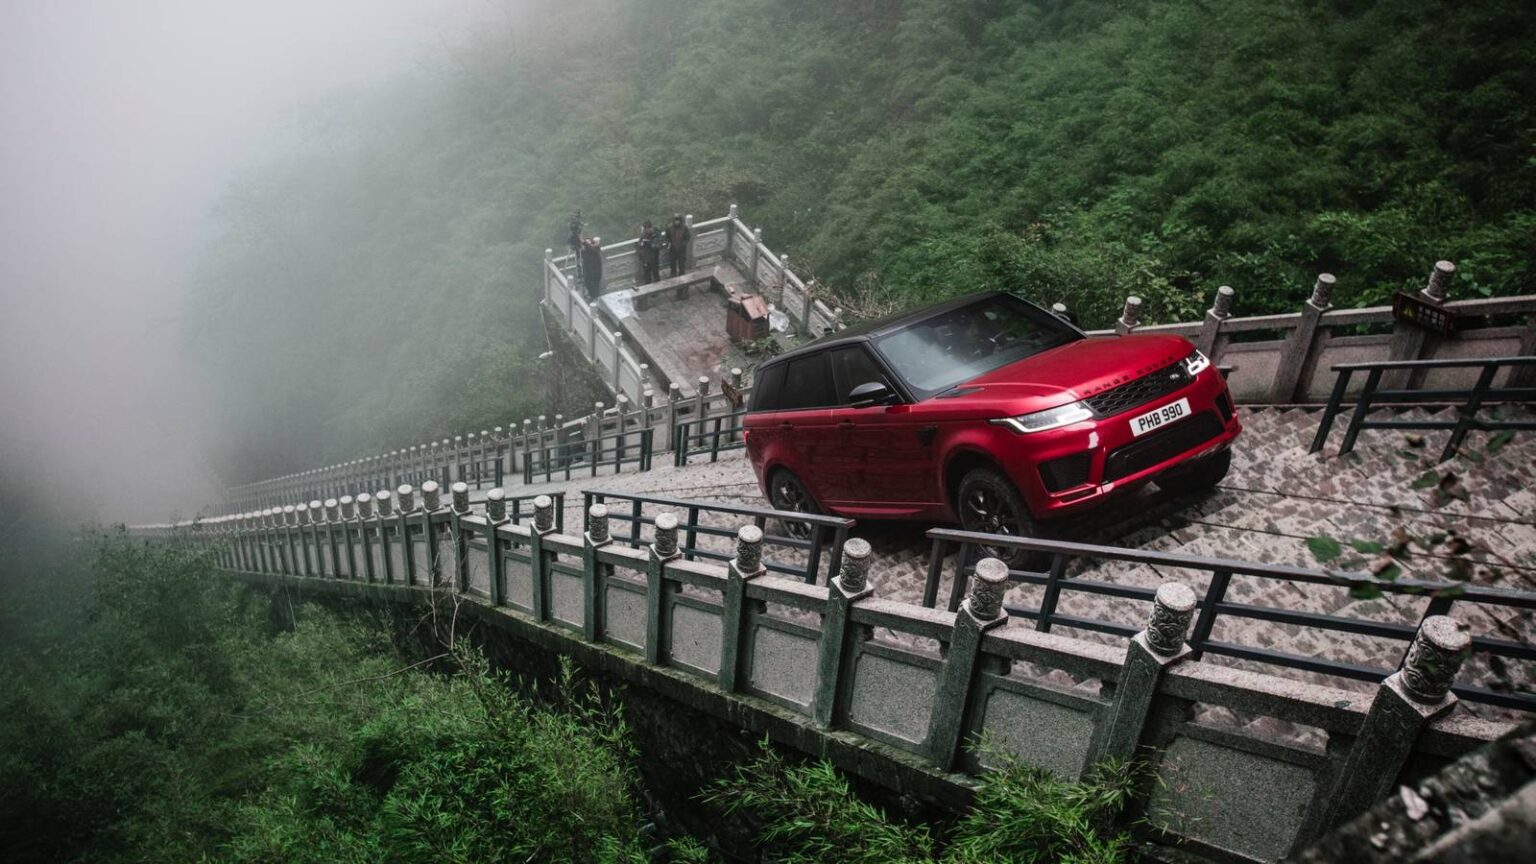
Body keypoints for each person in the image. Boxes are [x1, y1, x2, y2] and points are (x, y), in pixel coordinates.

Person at [636, 220, 661, 285]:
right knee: (647, 275)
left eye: (648, 229)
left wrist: (651, 243)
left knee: (655, 274)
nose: (647, 230)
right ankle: (649, 289)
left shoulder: (656, 233)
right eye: (645, 229)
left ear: (651, 227)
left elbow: (658, 244)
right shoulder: (643, 235)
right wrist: (641, 256)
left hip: (654, 257)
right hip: (646, 259)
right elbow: (639, 246)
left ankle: (657, 288)